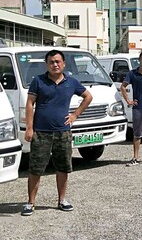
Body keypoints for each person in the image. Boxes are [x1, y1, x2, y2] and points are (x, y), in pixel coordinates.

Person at [22, 49, 93, 216]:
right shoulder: (38, 81)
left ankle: (62, 200)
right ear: (47, 64)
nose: (55, 64)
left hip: (63, 132)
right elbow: (30, 104)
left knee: (63, 167)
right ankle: (30, 202)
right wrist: (30, 128)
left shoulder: (72, 82)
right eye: (51, 62)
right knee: (36, 168)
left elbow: (88, 97)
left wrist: (75, 114)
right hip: (41, 132)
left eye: (58, 61)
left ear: (63, 63)